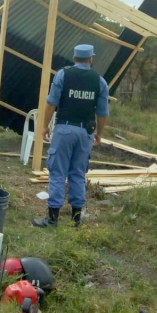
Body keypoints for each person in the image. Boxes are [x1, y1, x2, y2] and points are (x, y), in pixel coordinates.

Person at [32, 44, 109, 228]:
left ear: (74, 59)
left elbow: (51, 103)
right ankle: (76, 220)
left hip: (64, 129)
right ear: (91, 59)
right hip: (85, 133)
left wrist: (43, 126)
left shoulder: (63, 75)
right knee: (78, 174)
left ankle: (52, 219)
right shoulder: (99, 81)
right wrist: (99, 134)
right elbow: (103, 113)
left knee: (58, 172)